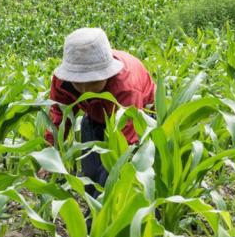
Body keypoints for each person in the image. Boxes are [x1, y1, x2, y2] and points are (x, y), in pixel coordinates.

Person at [45, 28, 155, 196]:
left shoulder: (126, 87)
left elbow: (124, 149)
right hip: (96, 115)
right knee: (90, 173)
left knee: (116, 179)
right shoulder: (63, 82)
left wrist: (102, 201)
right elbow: (59, 117)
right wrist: (49, 154)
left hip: (141, 121)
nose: (84, 89)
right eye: (78, 81)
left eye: (92, 81)